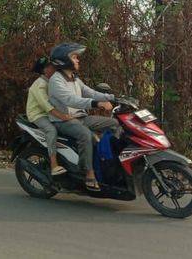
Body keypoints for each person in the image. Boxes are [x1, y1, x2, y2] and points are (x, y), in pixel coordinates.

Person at [47, 42, 121, 191]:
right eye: (74, 57)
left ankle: (112, 162)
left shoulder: (73, 77)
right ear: (64, 60)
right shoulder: (56, 81)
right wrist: (96, 104)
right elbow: (71, 100)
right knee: (86, 135)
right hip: (63, 120)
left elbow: (90, 92)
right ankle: (88, 173)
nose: (78, 60)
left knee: (114, 124)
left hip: (80, 118)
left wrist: (114, 98)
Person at [25, 56, 74, 176]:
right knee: (51, 130)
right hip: (38, 115)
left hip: (50, 114)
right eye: (51, 66)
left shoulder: (55, 82)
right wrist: (63, 117)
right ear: (45, 70)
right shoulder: (40, 85)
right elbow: (47, 107)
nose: (55, 68)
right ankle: (54, 165)